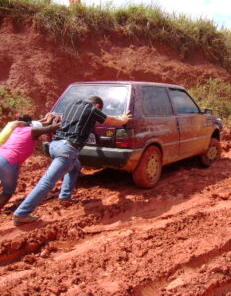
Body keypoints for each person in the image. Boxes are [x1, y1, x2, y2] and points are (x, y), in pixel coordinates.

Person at [13, 96, 132, 226]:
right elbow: (111, 120)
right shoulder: (92, 109)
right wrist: (123, 119)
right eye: (100, 109)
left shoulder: (70, 106)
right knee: (47, 183)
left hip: (55, 146)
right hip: (66, 150)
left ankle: (65, 196)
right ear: (97, 106)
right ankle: (21, 214)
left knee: (75, 167)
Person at [0, 115, 60, 212]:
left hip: (1, 155)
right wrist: (67, 123)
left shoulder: (17, 130)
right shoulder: (31, 130)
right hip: (9, 160)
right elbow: (49, 128)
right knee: (7, 192)